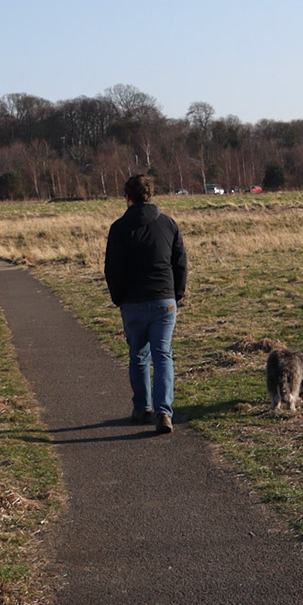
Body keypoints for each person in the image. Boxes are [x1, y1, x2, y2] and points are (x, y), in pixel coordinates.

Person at [103, 173, 188, 433]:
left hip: (133, 302)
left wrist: (118, 298)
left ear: (127, 197)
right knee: (163, 356)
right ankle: (164, 413)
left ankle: (142, 408)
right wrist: (176, 294)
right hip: (164, 300)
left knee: (138, 356)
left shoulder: (119, 228)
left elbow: (112, 269)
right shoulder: (169, 224)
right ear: (150, 195)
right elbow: (180, 263)